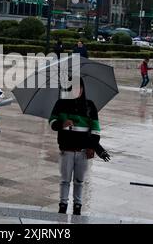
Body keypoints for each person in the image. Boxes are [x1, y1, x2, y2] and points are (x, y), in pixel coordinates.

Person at [49, 79, 110, 216]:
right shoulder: (61, 104)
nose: (76, 91)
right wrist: (62, 124)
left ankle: (77, 206)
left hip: (83, 152)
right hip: (66, 151)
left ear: (83, 89)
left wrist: (94, 147)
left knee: (79, 181)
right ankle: (63, 205)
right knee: (65, 180)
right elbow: (52, 121)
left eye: (79, 88)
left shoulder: (90, 106)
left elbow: (95, 130)